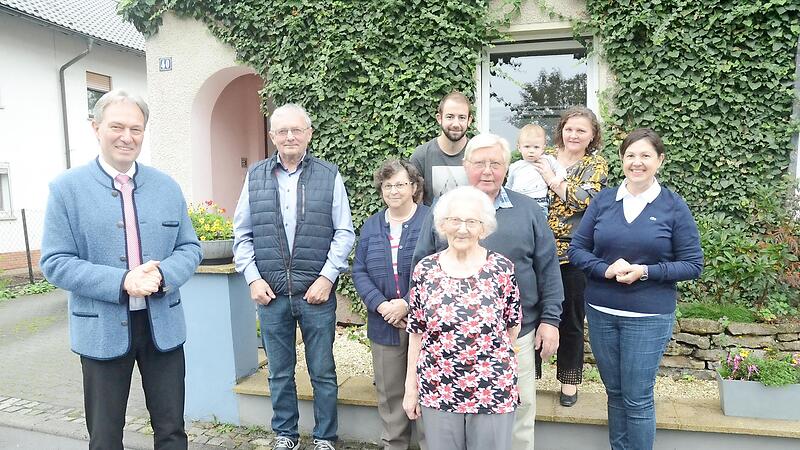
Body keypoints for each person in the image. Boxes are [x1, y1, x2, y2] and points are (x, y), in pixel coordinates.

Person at [40, 90, 202, 450]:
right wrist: (123, 281)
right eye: (117, 126)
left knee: (172, 431)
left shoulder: (166, 186)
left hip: (163, 327)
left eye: (136, 128)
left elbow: (190, 247)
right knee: (105, 436)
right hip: (101, 328)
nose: (127, 137)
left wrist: (162, 276)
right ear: (96, 128)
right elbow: (55, 262)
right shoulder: (67, 189)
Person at [412, 133, 564, 450]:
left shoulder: (529, 211)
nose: (487, 170)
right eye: (479, 163)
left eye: (495, 163)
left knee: (519, 419)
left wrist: (550, 320)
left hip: (514, 336)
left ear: (506, 168)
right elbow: (421, 265)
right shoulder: (444, 209)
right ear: (465, 166)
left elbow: (548, 268)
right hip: (447, 347)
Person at [568, 128, 703, 450]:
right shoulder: (604, 200)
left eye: (645, 156)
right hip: (602, 311)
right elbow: (577, 249)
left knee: (637, 397)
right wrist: (604, 268)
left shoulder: (673, 206)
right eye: (630, 155)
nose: (637, 162)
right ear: (622, 159)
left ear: (660, 161)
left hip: (648, 315)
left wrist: (645, 271)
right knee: (613, 393)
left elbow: (693, 264)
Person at [233, 104, 355, 450]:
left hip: (316, 293)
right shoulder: (255, 176)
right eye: (282, 131)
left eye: (296, 130)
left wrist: (327, 277)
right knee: (279, 372)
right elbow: (241, 234)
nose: (290, 136)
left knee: (323, 372)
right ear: (272, 136)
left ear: (309, 135)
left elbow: (344, 232)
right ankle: (285, 434)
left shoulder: (329, 175)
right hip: (270, 293)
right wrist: (254, 279)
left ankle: (325, 437)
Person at [403, 186, 521, 450]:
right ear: (443, 225)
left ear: (484, 228)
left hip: (492, 386)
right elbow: (416, 333)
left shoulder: (501, 268)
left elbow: (512, 327)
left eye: (471, 221)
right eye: (455, 220)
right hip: (438, 385)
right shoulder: (426, 270)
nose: (462, 229)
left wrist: (494, 366)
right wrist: (411, 387)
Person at [531, 106, 608, 407]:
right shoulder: (543, 155)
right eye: (569, 128)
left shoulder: (596, 164)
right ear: (561, 129)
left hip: (574, 255)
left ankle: (569, 382)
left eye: (581, 130)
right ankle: (529, 378)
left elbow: (584, 201)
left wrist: (552, 179)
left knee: (571, 321)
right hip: (536, 252)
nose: (574, 134)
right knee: (530, 316)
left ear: (592, 136)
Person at [352, 159, 430, 450]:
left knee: (426, 392)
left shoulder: (431, 221)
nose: (394, 190)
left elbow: (440, 268)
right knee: (390, 394)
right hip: (384, 324)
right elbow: (359, 270)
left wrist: (407, 304)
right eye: (388, 185)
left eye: (400, 184)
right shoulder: (372, 225)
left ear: (413, 186)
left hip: (426, 324)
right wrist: (383, 306)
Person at [410, 91, 473, 206]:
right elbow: (414, 205)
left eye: (462, 118)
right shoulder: (422, 156)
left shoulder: (477, 153)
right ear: (439, 118)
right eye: (450, 117)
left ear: (469, 120)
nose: (456, 124)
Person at [505, 124, 567, 215]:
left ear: (543, 148)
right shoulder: (515, 166)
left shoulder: (547, 160)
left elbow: (561, 170)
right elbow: (508, 186)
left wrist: (557, 179)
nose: (531, 151)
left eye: (536, 147)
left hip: (539, 203)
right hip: (518, 202)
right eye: (527, 147)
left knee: (539, 227)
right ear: (519, 147)